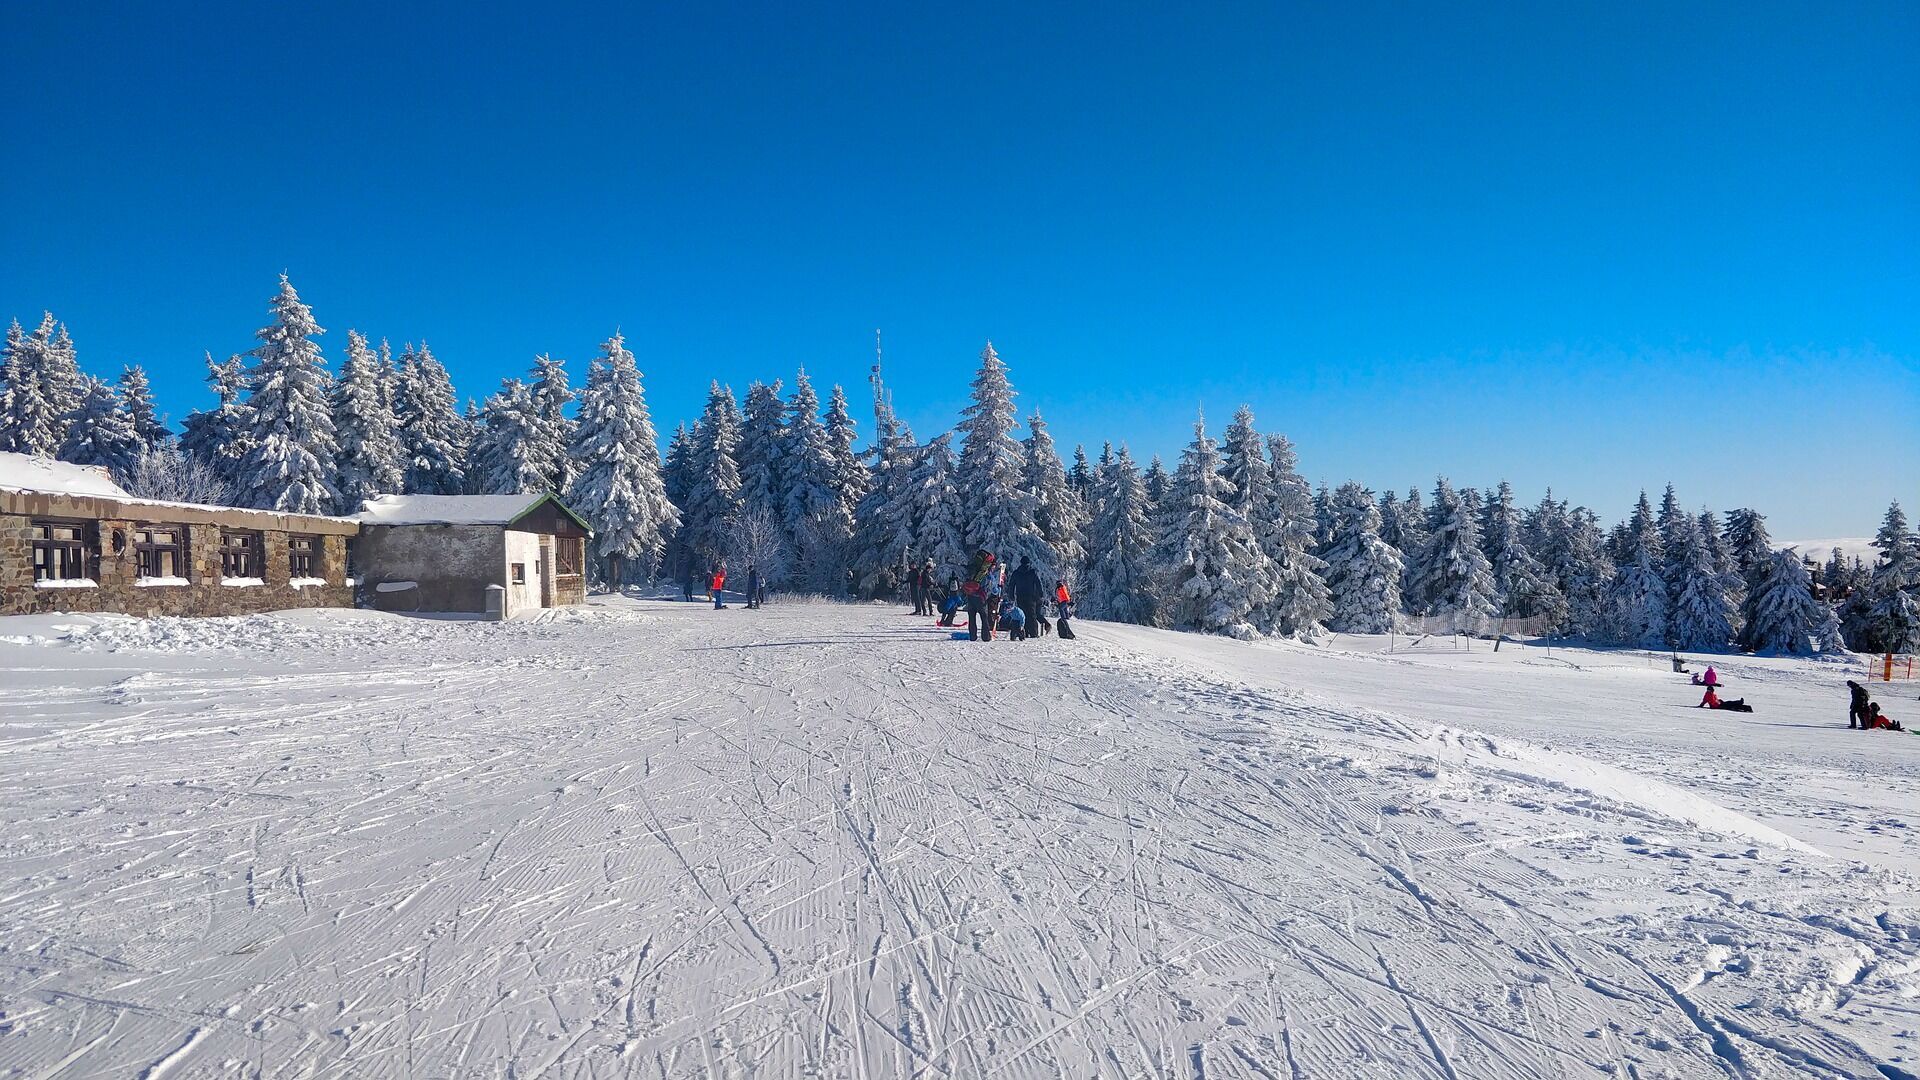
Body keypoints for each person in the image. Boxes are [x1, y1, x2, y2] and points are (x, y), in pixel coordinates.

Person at [1010, 556, 1043, 636]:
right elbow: (1038, 583)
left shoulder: (1016, 573)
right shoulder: (1032, 572)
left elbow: (1011, 585)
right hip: (1031, 597)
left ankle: (1024, 632)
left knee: (1022, 615)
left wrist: (1011, 595)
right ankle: (1033, 633)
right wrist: (1040, 593)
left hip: (1020, 596)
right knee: (1032, 615)